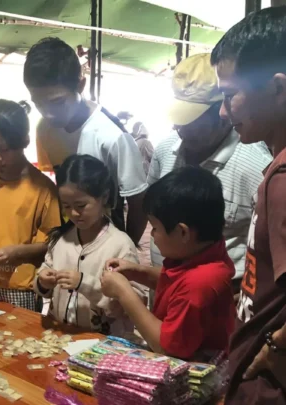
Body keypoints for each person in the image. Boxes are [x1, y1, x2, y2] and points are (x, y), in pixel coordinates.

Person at [211, 7, 286, 403]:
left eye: (229, 96)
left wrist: (271, 351)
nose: (223, 112)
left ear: (277, 88)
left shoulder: (282, 180)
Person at [148, 53, 271, 291]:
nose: (178, 127)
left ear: (222, 111)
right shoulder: (165, 150)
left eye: (190, 120)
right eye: (178, 118)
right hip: (164, 284)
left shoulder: (255, 168)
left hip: (219, 297)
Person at [101, 167, 235, 360]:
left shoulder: (201, 283)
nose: (152, 235)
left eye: (155, 228)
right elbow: (177, 282)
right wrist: (138, 272)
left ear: (183, 233)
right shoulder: (208, 251)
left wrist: (124, 293)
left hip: (194, 373)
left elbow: (167, 348)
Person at [24, 37, 148, 244]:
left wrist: (127, 251)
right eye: (38, 104)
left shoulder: (112, 135)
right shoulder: (44, 128)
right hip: (70, 242)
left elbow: (138, 202)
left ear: (80, 85)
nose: (48, 114)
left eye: (57, 102)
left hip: (107, 246)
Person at [0, 99, 61, 311]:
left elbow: (52, 245)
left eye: (5, 149)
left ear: (25, 141)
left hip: (19, 287)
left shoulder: (43, 189)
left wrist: (18, 252)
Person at [34, 154, 143, 334]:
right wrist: (43, 280)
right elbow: (44, 275)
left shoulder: (120, 245)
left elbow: (129, 306)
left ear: (104, 197)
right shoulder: (61, 239)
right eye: (67, 206)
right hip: (63, 337)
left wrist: (85, 283)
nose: (74, 213)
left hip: (104, 346)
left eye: (81, 205)